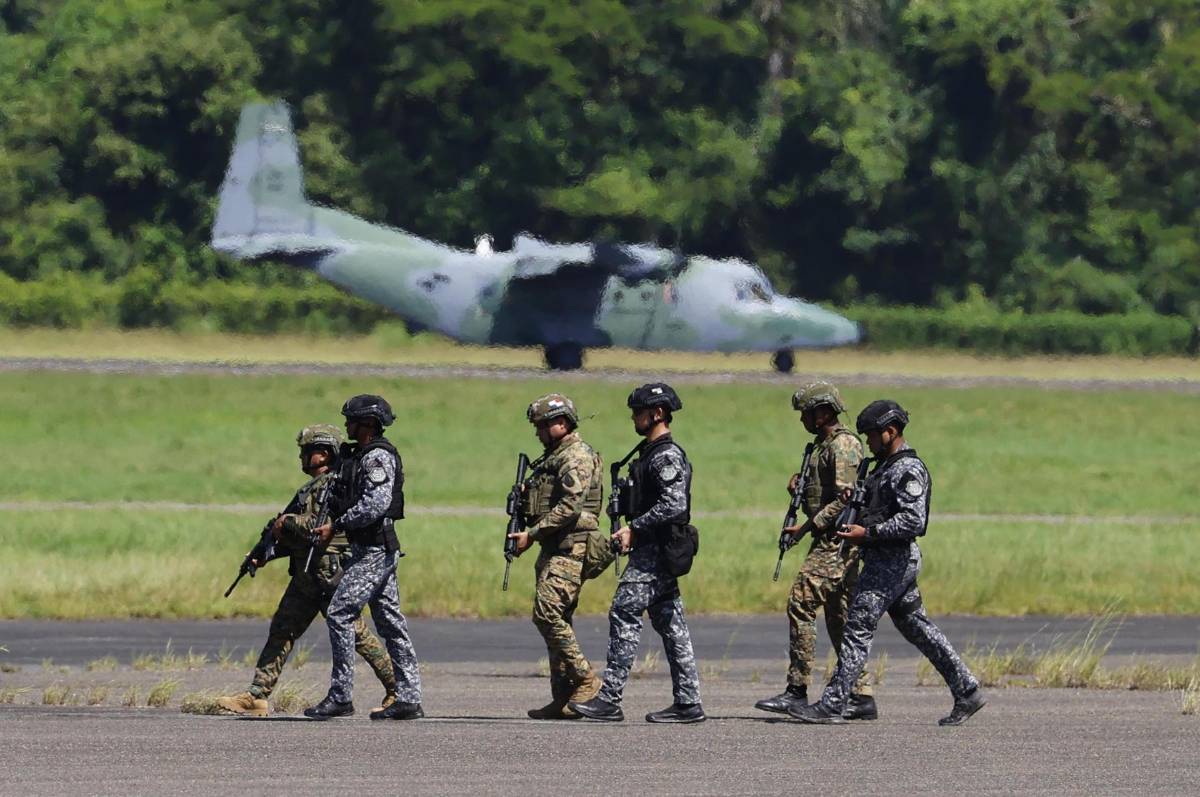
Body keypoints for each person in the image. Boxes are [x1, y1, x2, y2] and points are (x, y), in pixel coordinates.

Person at [789, 400, 986, 726]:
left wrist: (867, 533)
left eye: (871, 436)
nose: (867, 442)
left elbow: (914, 521)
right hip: (885, 559)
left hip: (891, 562)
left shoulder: (908, 470)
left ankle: (832, 704)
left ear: (890, 432)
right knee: (918, 628)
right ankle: (967, 690)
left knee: (856, 630)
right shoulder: (883, 467)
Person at [217, 425, 397, 716]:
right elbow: (299, 538)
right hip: (306, 573)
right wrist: (265, 553)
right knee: (282, 630)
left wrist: (285, 523)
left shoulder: (331, 486)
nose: (302, 457)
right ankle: (256, 695)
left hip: (327, 572)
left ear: (324, 453)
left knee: (356, 633)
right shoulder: (312, 488)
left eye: (307, 451)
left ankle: (397, 688)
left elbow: (314, 528)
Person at [570, 383, 704, 724]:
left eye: (638, 412)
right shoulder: (649, 453)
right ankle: (688, 702)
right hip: (652, 548)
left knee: (624, 611)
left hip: (656, 551)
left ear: (656, 414)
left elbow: (675, 504)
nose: (634, 417)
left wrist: (636, 527)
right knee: (671, 624)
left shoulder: (666, 455)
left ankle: (610, 697)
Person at [754, 382, 875, 720]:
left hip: (836, 540)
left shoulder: (845, 446)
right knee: (840, 618)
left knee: (801, 602)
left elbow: (846, 499)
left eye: (806, 413)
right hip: (829, 537)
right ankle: (860, 693)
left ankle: (797, 689)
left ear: (823, 412)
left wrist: (808, 526)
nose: (803, 420)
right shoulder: (823, 447)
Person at [304, 394, 424, 720]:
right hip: (370, 549)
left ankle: (341, 695)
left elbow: (377, 503)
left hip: (374, 550)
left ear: (368, 424)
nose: (347, 426)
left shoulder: (376, 458)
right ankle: (409, 697)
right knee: (390, 623)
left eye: (352, 421)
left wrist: (337, 525)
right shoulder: (358, 457)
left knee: (340, 613)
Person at [506, 393, 605, 719]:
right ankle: (563, 696)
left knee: (547, 615)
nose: (538, 433)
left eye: (542, 426)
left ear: (560, 424)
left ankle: (587, 680)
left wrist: (531, 534)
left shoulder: (575, 457)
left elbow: (569, 507)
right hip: (555, 547)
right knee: (559, 621)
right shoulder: (553, 458)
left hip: (571, 547)